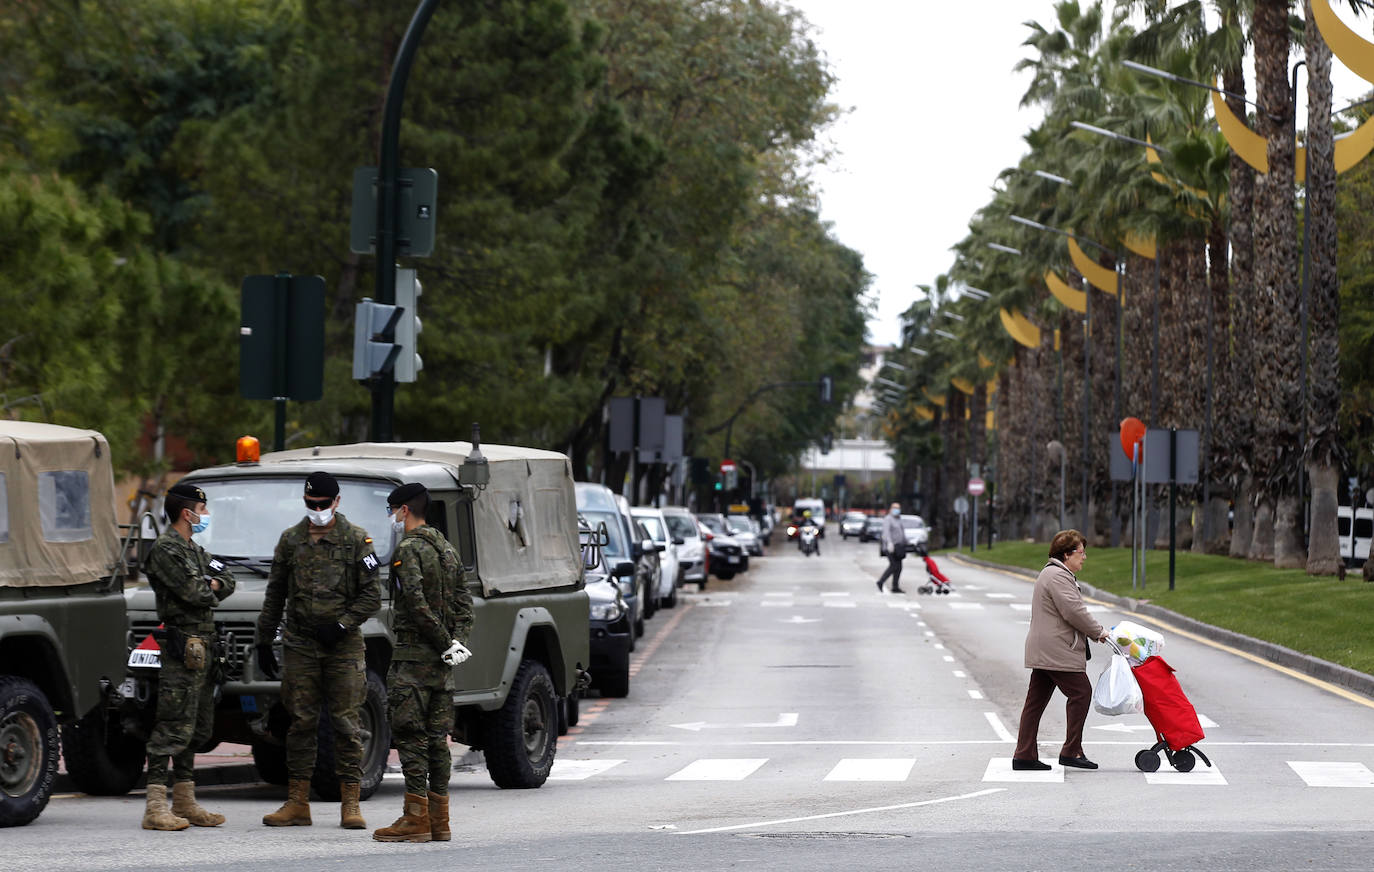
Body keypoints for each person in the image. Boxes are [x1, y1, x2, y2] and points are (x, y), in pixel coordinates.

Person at [258, 471, 381, 830]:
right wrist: (264, 640)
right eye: (311, 505)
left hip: (342, 646)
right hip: (300, 644)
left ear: (337, 502)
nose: (317, 511)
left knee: (346, 723)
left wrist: (342, 623)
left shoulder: (357, 539)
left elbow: (372, 595)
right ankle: (297, 802)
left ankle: (351, 803)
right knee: (301, 723)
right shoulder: (291, 540)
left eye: (324, 505)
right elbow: (275, 593)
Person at [373, 483, 474, 844]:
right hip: (442, 666)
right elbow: (465, 604)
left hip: (413, 661)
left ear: (404, 510)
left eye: (392, 511)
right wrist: (455, 643)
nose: (391, 518)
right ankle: (440, 820)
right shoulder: (446, 549)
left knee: (411, 737)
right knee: (437, 740)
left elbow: (415, 604)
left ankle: (415, 818)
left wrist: (446, 642)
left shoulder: (409, 548)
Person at [141, 482, 236, 830]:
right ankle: (154, 807)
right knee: (171, 725)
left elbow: (227, 577)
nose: (205, 515)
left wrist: (211, 583)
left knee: (196, 725)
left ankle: (184, 800)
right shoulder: (167, 550)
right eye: (203, 509)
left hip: (205, 650)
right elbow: (195, 591)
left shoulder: (195, 549)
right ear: (188, 512)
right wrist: (209, 584)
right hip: (182, 648)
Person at [1012, 529, 1109, 771]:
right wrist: (1098, 632)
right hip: (1056, 649)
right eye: (1081, 552)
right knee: (1081, 693)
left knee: (1035, 702)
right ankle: (1071, 751)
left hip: (1046, 648)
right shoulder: (1057, 576)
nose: (1084, 557)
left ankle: (1024, 754)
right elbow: (1073, 611)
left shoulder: (1054, 573)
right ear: (1066, 554)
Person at [875, 503, 907, 593]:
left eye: (898, 508)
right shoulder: (888, 519)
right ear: (891, 509)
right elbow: (885, 533)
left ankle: (895, 586)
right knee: (893, 565)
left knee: (899, 567)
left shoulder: (899, 519)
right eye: (895, 508)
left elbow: (902, 532)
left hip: (898, 547)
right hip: (890, 547)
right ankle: (880, 582)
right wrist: (889, 543)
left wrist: (906, 542)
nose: (897, 510)